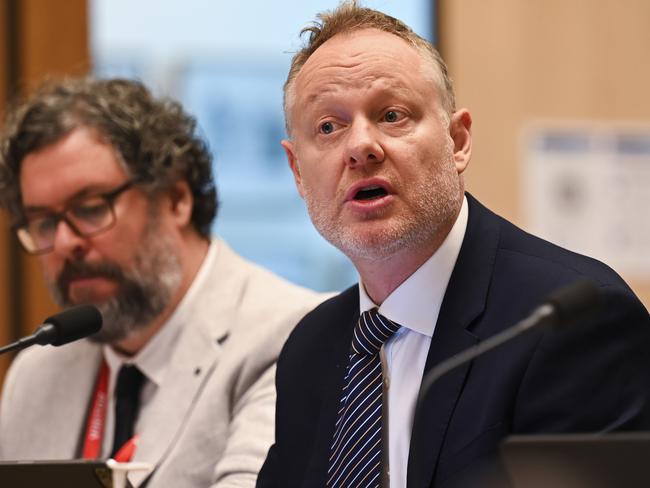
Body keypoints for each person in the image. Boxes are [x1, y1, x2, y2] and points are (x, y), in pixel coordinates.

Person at [256, 2, 650, 487]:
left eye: (392, 114)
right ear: (297, 171)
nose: (360, 146)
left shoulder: (570, 322)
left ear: (457, 140)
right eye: (328, 127)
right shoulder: (310, 349)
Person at [0, 77, 326, 488]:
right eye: (44, 222)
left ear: (175, 198)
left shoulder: (291, 338)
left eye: (89, 208)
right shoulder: (37, 372)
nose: (65, 243)